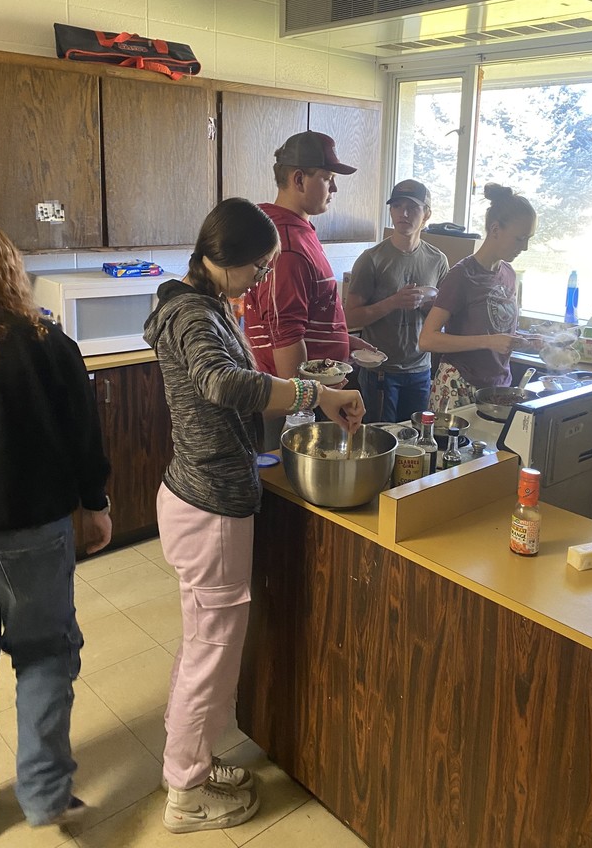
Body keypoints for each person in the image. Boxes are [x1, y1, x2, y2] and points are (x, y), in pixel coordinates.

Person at [143, 197, 364, 835]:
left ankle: (192, 760)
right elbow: (222, 383)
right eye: (259, 267)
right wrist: (315, 392)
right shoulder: (192, 314)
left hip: (201, 495)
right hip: (209, 507)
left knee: (201, 644)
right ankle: (186, 792)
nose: (263, 278)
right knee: (211, 650)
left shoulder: (201, 303)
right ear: (227, 259)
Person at [0, 221, 112, 848]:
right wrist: (96, 504)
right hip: (32, 537)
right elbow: (83, 436)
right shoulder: (46, 340)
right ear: (7, 270)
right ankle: (45, 794)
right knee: (45, 656)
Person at [244, 130, 372, 378]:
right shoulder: (287, 245)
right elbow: (285, 335)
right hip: (299, 398)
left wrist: (340, 341)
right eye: (327, 178)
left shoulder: (295, 231)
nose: (334, 187)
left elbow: (304, 318)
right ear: (299, 179)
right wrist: (302, 406)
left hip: (316, 386)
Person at [419, 183, 539, 411]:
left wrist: (531, 341)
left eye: (528, 239)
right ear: (495, 230)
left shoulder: (509, 275)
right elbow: (427, 340)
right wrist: (488, 341)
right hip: (459, 385)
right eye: (520, 238)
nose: (524, 247)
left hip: (497, 387)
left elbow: (499, 331)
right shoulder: (462, 275)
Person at [345, 179, 448, 422]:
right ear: (390, 211)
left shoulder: (438, 260)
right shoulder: (371, 259)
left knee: (416, 443)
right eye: (397, 206)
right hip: (380, 372)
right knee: (381, 441)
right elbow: (349, 317)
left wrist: (427, 303)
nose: (404, 213)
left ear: (426, 214)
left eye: (413, 207)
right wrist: (393, 302)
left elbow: (443, 319)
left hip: (421, 369)